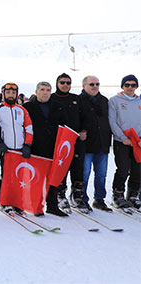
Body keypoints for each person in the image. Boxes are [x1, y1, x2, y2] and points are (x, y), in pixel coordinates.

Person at [23, 82, 69, 217]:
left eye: (48, 90)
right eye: (42, 90)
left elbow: (65, 125)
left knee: (53, 180)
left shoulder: (58, 107)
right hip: (35, 148)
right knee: (36, 179)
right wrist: (25, 145)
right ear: (36, 91)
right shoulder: (28, 107)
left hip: (53, 148)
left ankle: (52, 206)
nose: (45, 92)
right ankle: (35, 206)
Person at [0, 82, 33, 214]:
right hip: (7, 149)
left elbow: (29, 128)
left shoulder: (22, 110)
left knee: (20, 176)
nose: (11, 95)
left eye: (13, 93)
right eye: (8, 93)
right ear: (4, 94)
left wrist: (27, 144)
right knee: (6, 175)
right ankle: (5, 201)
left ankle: (18, 202)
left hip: (20, 149)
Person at [50, 73, 87, 211]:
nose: (65, 85)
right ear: (57, 83)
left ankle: (77, 196)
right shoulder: (52, 98)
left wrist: (84, 130)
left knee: (78, 167)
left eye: (68, 83)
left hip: (76, 139)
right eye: (62, 82)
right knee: (61, 167)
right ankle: (60, 195)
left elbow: (85, 116)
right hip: (60, 140)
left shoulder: (76, 99)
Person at [79, 75, 112, 212]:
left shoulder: (104, 101)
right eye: (91, 84)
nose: (95, 87)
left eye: (97, 84)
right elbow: (76, 119)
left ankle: (99, 199)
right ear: (84, 86)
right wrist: (80, 131)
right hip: (86, 144)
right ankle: (81, 198)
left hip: (102, 142)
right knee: (84, 174)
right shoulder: (79, 100)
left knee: (101, 174)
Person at [108, 74, 141, 209]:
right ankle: (118, 194)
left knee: (137, 169)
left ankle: (133, 195)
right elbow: (112, 121)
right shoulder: (115, 101)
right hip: (122, 141)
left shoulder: (139, 101)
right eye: (127, 85)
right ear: (122, 86)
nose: (130, 87)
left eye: (133, 85)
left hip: (138, 141)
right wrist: (123, 138)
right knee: (123, 168)